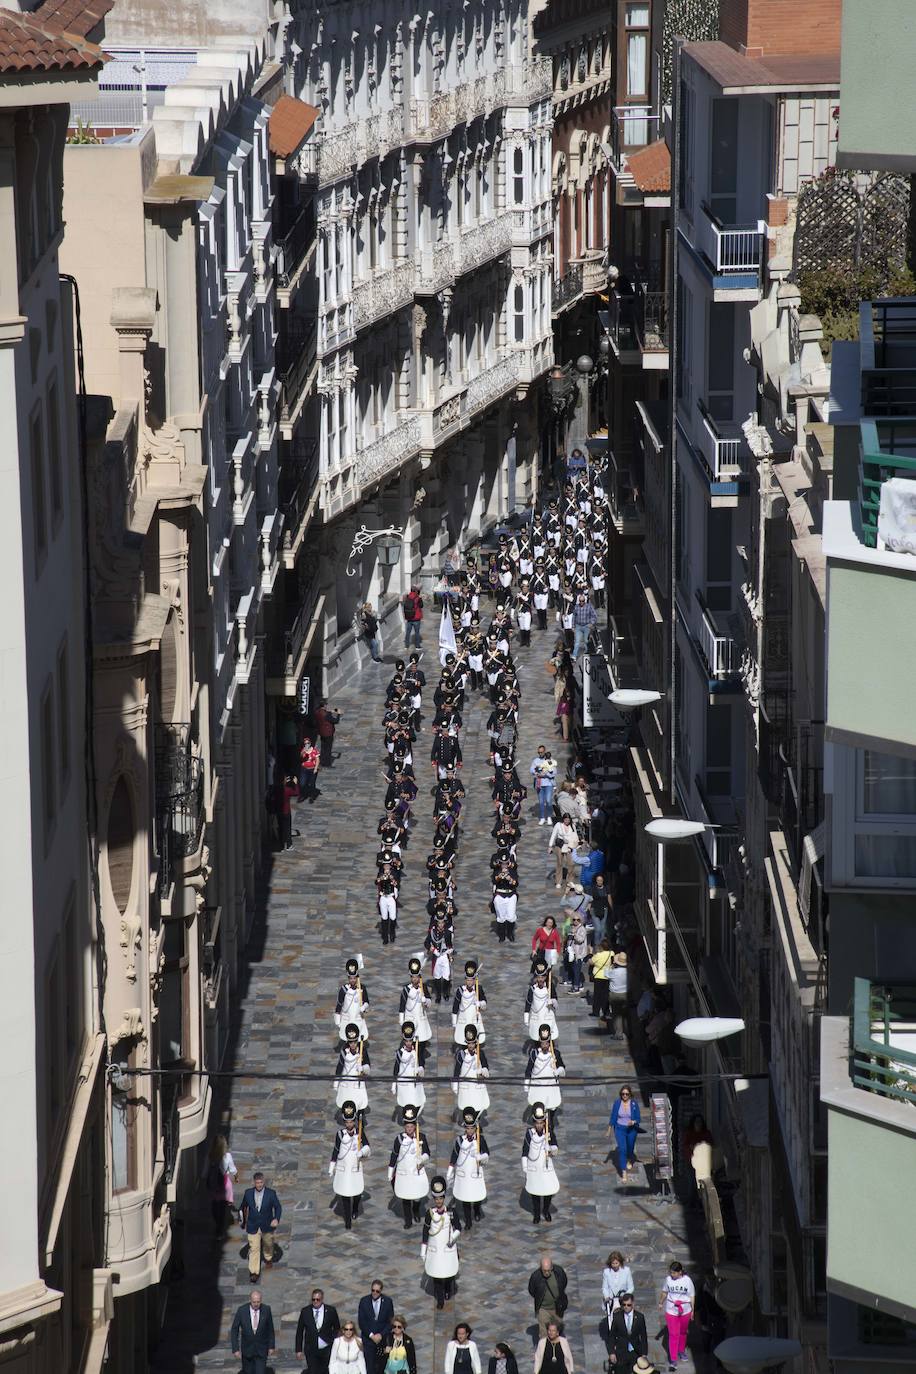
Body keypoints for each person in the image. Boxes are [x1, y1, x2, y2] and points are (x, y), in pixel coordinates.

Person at [388, 1102, 431, 1229]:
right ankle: (408, 1220)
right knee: (405, 1197)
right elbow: (394, 1155)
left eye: (411, 1127)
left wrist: (422, 1158)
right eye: (407, 1127)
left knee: (417, 1197)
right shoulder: (399, 1139)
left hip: (417, 1171)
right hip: (404, 1172)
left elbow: (428, 1153)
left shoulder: (421, 1137)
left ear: (415, 1126)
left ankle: (416, 1211)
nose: (409, 1129)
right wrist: (390, 1171)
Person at [446, 1106, 489, 1230]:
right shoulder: (460, 1141)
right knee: (465, 1198)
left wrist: (481, 1157)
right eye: (468, 1128)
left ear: (475, 1128)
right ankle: (468, 1221)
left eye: (472, 1128)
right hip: (463, 1173)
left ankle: (476, 1211)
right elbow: (454, 1156)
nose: (470, 1130)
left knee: (475, 1195)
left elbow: (487, 1154)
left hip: (475, 1172)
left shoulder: (481, 1140)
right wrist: (450, 1171)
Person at [422, 1176, 461, 1309]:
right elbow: (425, 1231)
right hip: (435, 1249)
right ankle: (440, 1300)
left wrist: (453, 1238)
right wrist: (423, 1250)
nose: (438, 1201)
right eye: (436, 1199)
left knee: (449, 1273)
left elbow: (458, 1227)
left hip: (448, 1248)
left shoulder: (451, 1212)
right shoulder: (430, 1213)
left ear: (444, 1199)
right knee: (437, 1275)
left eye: (441, 1198)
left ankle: (447, 1290)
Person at [330, 1101, 370, 1230]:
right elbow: (336, 1150)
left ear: (354, 1121)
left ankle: (355, 1209)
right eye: (346, 1122)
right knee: (345, 1195)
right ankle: (348, 1221)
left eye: (351, 1122)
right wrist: (332, 1166)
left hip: (355, 1167)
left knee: (356, 1192)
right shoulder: (340, 1134)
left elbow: (368, 1147)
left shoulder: (359, 1132)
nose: (349, 1125)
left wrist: (362, 1152)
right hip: (343, 1168)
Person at [238, 1171, 282, 1281]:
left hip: (267, 1225)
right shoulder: (248, 1193)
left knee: (268, 1244)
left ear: (264, 1182)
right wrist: (242, 1221)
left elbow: (278, 1207)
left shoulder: (271, 1194)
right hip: (253, 1225)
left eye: (261, 1182)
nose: (259, 1185)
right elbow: (243, 1207)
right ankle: (254, 1272)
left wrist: (276, 1218)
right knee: (254, 1248)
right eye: (257, 1183)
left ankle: (268, 1258)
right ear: (254, 1182)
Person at [522, 1103, 560, 1225]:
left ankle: (546, 1210)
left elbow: (556, 1148)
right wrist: (525, 1166)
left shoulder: (549, 1132)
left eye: (541, 1123)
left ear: (544, 1122)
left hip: (546, 1166)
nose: (539, 1125)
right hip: (534, 1167)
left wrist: (551, 1148)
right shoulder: (529, 1133)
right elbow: (525, 1150)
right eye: (537, 1123)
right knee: (535, 1193)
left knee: (548, 1191)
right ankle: (537, 1213)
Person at [659, 1261, 695, 1369]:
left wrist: (693, 1310)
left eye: (674, 1273)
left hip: (685, 1310)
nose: (672, 1275)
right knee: (674, 1334)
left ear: (680, 1272)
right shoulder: (668, 1280)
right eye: (671, 1273)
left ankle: (681, 1351)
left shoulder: (687, 1281)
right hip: (671, 1310)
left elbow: (692, 1295)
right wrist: (661, 1302)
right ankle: (673, 1358)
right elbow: (664, 1292)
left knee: (683, 1332)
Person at [296, 1290, 342, 1374]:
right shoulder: (305, 1311)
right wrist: (298, 1350)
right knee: (313, 1371)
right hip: (311, 1349)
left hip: (326, 1349)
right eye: (313, 1299)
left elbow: (337, 1329)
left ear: (322, 1299)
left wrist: (332, 1341)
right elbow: (299, 1331)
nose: (315, 1302)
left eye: (318, 1299)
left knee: (325, 1371)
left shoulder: (331, 1311)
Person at [231, 1290, 276, 1374]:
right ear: (250, 1300)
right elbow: (234, 1329)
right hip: (247, 1350)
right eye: (254, 1302)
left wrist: (271, 1346)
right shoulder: (242, 1310)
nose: (256, 1304)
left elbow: (270, 1329)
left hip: (261, 1350)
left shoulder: (266, 1310)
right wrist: (235, 1349)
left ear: (261, 1300)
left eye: (258, 1302)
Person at [358, 1281, 394, 1374]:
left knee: (381, 1366)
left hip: (381, 1341)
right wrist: (371, 1335)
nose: (374, 1293)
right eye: (373, 1290)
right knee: (370, 1367)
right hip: (368, 1340)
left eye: (377, 1291)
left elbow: (390, 1323)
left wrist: (381, 1335)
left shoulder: (387, 1302)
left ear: (381, 1291)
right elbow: (362, 1322)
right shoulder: (364, 1301)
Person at [205, 1132, 237, 1235]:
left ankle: (217, 1223)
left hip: (214, 1185)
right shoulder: (227, 1156)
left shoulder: (210, 1157)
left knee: (215, 1204)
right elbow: (232, 1169)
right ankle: (220, 1228)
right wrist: (236, 1176)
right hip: (224, 1184)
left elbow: (205, 1171)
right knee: (223, 1207)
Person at [608, 1294, 648, 1372]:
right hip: (621, 1352)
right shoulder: (617, 1317)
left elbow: (643, 1336)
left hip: (635, 1352)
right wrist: (612, 1352)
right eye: (624, 1305)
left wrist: (644, 1353)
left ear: (633, 1304)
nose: (626, 1307)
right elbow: (612, 1335)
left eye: (628, 1305)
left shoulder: (639, 1317)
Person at [609, 1085, 641, 1179]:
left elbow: (638, 1118)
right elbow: (613, 1116)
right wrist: (609, 1128)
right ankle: (623, 1171)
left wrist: (633, 1122)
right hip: (620, 1129)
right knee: (622, 1150)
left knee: (630, 1148)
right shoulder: (617, 1103)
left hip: (631, 1130)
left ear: (630, 1094)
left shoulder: (634, 1104)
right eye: (623, 1094)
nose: (625, 1096)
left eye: (627, 1094)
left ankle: (630, 1159)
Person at [547, 816, 578, 891]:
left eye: (568, 820)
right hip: (560, 845)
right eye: (565, 820)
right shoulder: (558, 825)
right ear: (563, 819)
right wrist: (550, 846)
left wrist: (576, 845)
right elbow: (553, 835)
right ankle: (558, 881)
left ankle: (570, 880)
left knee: (571, 863)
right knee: (559, 863)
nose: (567, 821)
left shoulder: (572, 826)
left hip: (569, 846)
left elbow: (575, 836)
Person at [602, 1251, 635, 1317]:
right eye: (613, 1263)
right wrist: (606, 1296)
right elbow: (605, 1287)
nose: (614, 1265)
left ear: (620, 1262)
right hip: (611, 1300)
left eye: (616, 1263)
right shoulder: (606, 1272)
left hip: (622, 1300)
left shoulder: (626, 1271)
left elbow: (631, 1287)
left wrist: (625, 1296)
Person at [588, 941, 613, 1021]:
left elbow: (591, 962)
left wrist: (591, 953)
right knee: (605, 995)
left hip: (598, 976)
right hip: (607, 975)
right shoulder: (611, 953)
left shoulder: (598, 955)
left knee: (597, 995)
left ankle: (596, 1011)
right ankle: (606, 1011)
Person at [607, 952, 629, 1040]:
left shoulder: (614, 972)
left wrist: (611, 966)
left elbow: (606, 974)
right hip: (626, 994)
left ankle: (618, 1034)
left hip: (615, 995)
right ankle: (628, 1032)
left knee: (617, 1015)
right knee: (625, 1014)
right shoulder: (628, 972)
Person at [566, 913, 589, 993]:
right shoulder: (571, 927)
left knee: (576, 970)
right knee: (574, 969)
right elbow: (568, 939)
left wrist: (575, 934)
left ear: (581, 920)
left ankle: (576, 987)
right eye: (574, 919)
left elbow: (580, 940)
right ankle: (579, 983)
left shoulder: (582, 929)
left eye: (578, 920)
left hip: (579, 953)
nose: (576, 921)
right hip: (572, 952)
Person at [315, 698, 341, 767]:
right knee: (328, 749)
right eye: (326, 704)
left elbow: (326, 713)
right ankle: (327, 764)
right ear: (324, 705)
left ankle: (322, 762)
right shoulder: (326, 715)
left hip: (321, 733)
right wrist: (338, 714)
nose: (327, 706)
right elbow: (335, 721)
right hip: (328, 733)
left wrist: (332, 711)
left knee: (323, 748)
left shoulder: (317, 712)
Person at [299, 736, 321, 801]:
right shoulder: (303, 750)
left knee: (312, 783)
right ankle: (303, 795)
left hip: (312, 768)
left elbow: (317, 760)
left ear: (310, 743)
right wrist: (304, 751)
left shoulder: (314, 751)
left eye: (308, 743)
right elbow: (301, 757)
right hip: (304, 769)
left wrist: (316, 768)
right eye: (305, 743)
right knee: (302, 783)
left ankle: (312, 796)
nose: (307, 744)